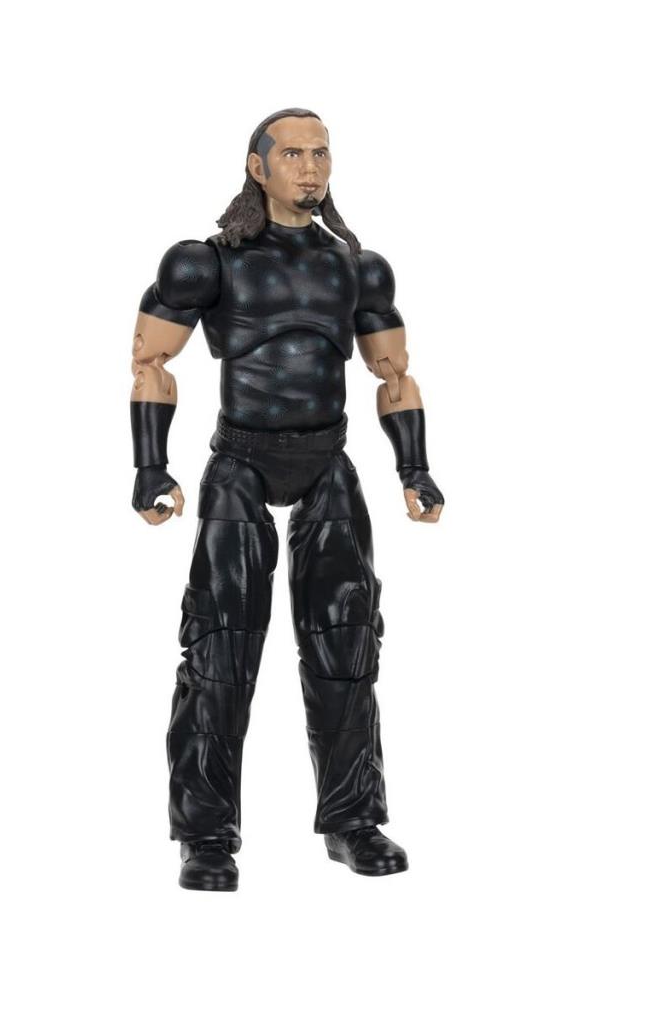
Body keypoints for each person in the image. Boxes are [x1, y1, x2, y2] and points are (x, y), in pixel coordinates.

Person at [129, 108, 444, 891]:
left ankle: (352, 821)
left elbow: (394, 374)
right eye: (294, 153)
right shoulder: (206, 263)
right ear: (257, 166)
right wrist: (150, 467)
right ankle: (206, 836)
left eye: (322, 153)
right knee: (219, 655)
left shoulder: (357, 268)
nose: (311, 167)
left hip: (327, 460)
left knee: (348, 651)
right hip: (240, 461)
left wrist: (414, 468)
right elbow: (150, 362)